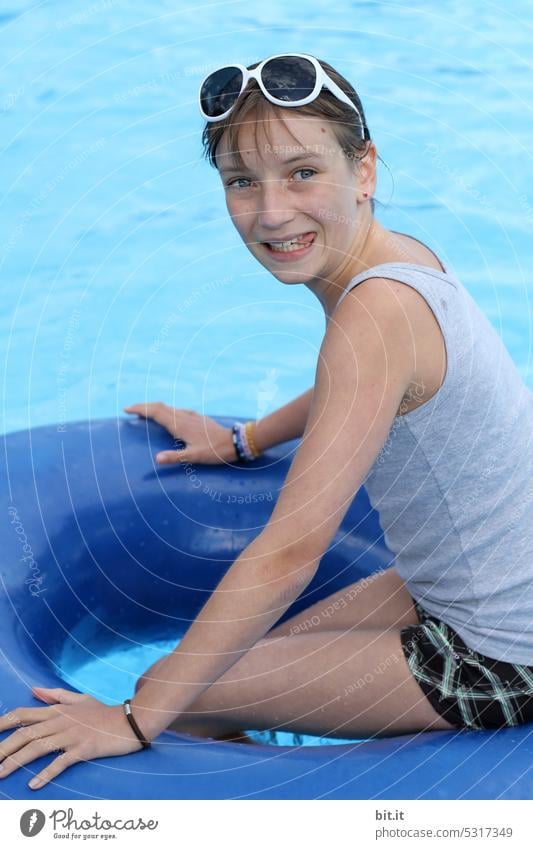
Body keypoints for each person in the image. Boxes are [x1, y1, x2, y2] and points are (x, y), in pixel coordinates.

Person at [2, 53, 533, 790]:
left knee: (175, 688)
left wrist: (130, 717)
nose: (272, 211)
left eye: (301, 172)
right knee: (236, 664)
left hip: (500, 653)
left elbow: (288, 553)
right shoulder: (401, 261)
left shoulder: (373, 314)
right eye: (241, 182)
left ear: (364, 167)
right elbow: (367, 389)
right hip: (470, 587)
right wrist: (245, 439)